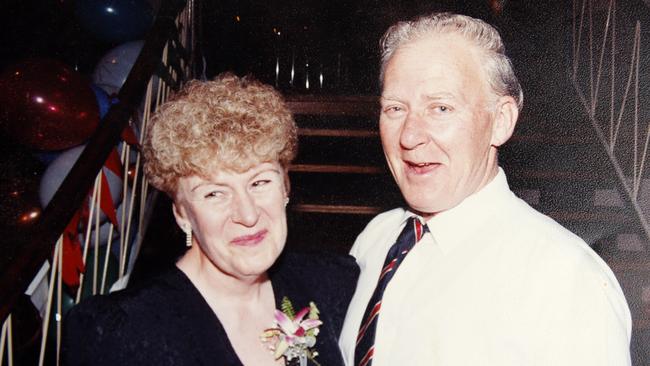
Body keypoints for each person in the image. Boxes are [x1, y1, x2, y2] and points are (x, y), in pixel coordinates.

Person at [339, 12, 632, 366]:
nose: (410, 136)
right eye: (395, 109)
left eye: (441, 108)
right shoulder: (375, 239)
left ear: (501, 121)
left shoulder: (564, 280)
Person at [62, 74, 358, 366]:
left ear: (286, 188)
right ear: (182, 214)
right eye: (215, 194)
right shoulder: (122, 332)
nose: (248, 215)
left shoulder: (332, 285)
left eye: (259, 183)